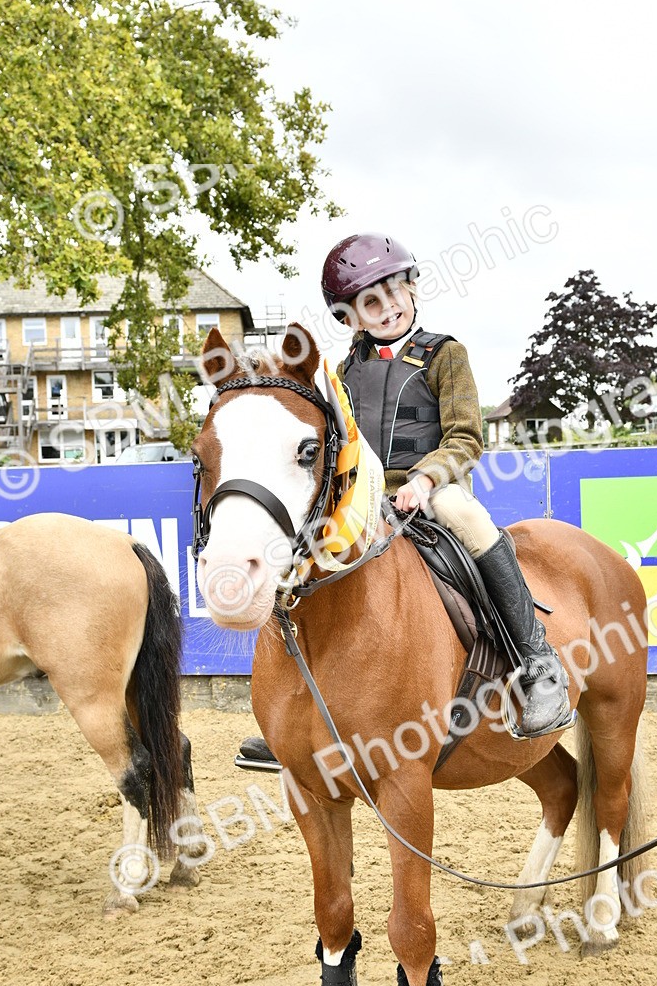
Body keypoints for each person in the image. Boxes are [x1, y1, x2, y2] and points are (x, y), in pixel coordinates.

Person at [238, 232, 570, 764]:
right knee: (301, 540)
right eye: (371, 302)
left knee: (470, 519)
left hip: (435, 491)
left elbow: (466, 438)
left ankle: (537, 664)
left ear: (412, 287)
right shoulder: (343, 372)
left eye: (395, 291)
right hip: (366, 497)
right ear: (350, 317)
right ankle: (295, 712)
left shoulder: (445, 354)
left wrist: (425, 480)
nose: (388, 306)